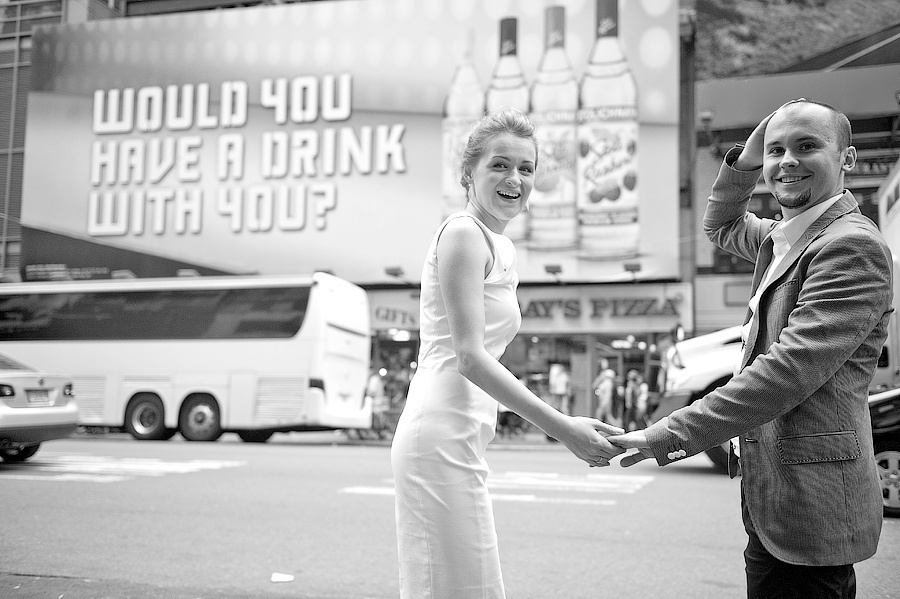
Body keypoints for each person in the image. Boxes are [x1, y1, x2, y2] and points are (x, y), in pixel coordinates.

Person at [611, 99, 891, 598]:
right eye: (776, 149)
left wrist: (668, 434)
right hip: (775, 499)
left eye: (808, 146)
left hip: (812, 507)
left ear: (847, 159)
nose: (787, 161)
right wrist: (745, 158)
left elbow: (786, 371)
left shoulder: (848, 246)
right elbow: (719, 225)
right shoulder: (788, 237)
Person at [391, 108, 623, 599]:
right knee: (461, 588)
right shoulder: (461, 234)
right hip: (438, 431)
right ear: (467, 174)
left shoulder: (498, 243)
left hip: (463, 432)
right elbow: (470, 358)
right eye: (499, 165)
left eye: (526, 168)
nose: (514, 179)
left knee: (462, 586)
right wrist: (565, 429)